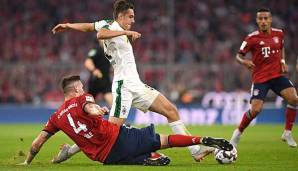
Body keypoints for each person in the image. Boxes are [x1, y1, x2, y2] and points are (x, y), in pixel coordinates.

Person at [51, 0, 212, 162]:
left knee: (171, 110)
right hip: (124, 86)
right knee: (110, 131)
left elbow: (89, 26)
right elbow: (100, 35)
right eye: (130, 17)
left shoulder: (106, 23)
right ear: (121, 16)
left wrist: (68, 25)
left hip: (136, 84)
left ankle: (195, 150)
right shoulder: (112, 28)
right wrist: (126, 33)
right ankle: (70, 151)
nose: (133, 21)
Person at [17, 75, 233, 166]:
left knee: (135, 155)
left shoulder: (55, 117)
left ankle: (146, 159)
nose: (83, 88)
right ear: (75, 89)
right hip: (117, 138)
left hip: (104, 158)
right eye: (81, 86)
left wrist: (27, 162)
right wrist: (97, 110)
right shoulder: (84, 98)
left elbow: (37, 143)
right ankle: (200, 140)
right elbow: (89, 107)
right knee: (163, 139)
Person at [230, 8, 298, 148]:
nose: (263, 21)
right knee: (255, 110)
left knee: (294, 98)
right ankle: (238, 132)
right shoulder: (251, 38)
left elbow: (281, 47)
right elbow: (238, 56)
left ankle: (287, 132)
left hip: (277, 75)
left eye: (266, 18)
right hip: (260, 78)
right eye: (260, 19)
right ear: (257, 21)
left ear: (270, 20)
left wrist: (283, 62)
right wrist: (245, 62)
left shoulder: (279, 33)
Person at [84, 41, 113, 106]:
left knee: (110, 98)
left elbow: (111, 66)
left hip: (105, 79)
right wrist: (94, 70)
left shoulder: (109, 52)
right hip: (96, 79)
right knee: (89, 102)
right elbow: (87, 62)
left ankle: (115, 114)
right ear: (99, 40)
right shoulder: (96, 50)